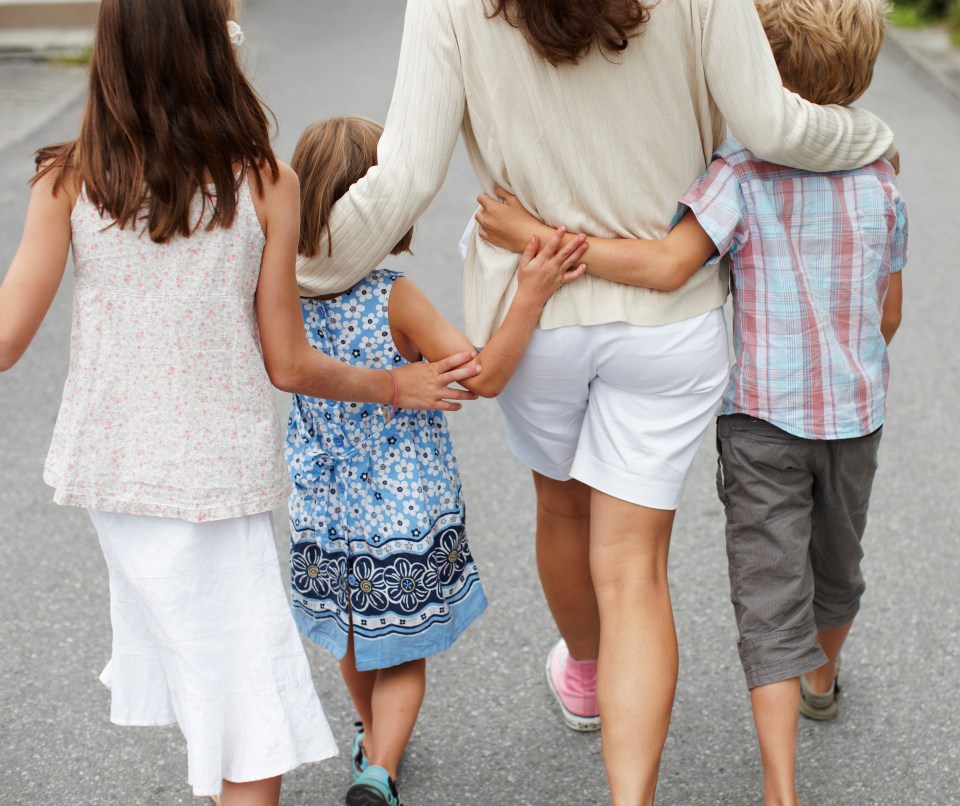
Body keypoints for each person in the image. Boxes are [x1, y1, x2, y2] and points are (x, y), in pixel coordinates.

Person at [293, 1, 899, 801]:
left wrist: (300, 267)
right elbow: (777, 129)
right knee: (635, 569)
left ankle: (586, 675)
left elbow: (404, 176)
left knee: (563, 510)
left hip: (535, 310)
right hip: (665, 320)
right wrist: (870, 136)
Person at [0, 3, 482, 804]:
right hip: (214, 484)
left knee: (215, 680)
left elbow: (8, 338)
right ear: (210, 49)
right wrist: (393, 385)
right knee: (249, 711)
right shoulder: (264, 182)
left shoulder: (69, 179)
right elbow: (288, 361)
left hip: (115, 478)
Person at [476, 1, 906, 803]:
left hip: (760, 421)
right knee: (837, 570)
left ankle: (781, 789)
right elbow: (889, 311)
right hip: (856, 416)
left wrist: (534, 235)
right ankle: (826, 679)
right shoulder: (880, 169)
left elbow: (670, 265)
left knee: (767, 596)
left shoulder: (739, 172)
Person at [286, 114, 589, 806]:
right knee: (404, 654)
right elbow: (479, 376)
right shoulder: (394, 297)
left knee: (356, 640)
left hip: (324, 508)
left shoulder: (284, 293)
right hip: (402, 511)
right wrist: (531, 296)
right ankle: (379, 770)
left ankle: (371, 738)